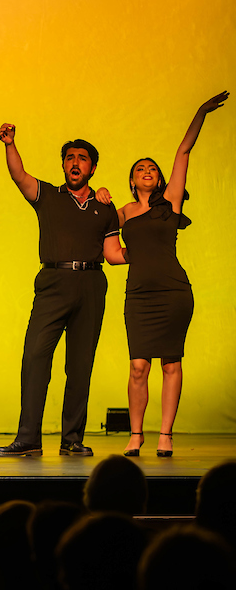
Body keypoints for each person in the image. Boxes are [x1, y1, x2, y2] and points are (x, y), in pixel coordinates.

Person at [0, 126, 123, 458]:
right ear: (64, 166)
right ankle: (28, 438)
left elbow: (112, 253)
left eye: (82, 159)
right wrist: (10, 144)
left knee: (80, 364)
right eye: (69, 158)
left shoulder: (104, 206)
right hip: (54, 281)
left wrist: (149, 251)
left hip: (92, 283)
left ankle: (72, 439)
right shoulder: (49, 195)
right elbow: (19, 175)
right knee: (35, 356)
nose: (75, 163)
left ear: (92, 168)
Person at [114, 92, 226, 458]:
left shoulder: (170, 204)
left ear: (159, 179)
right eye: (140, 169)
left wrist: (200, 112)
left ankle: (165, 434)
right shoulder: (123, 211)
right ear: (132, 180)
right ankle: (135, 435)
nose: (148, 172)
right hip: (139, 296)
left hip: (174, 292)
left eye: (153, 169)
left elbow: (182, 152)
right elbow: (111, 251)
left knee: (171, 362)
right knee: (137, 366)